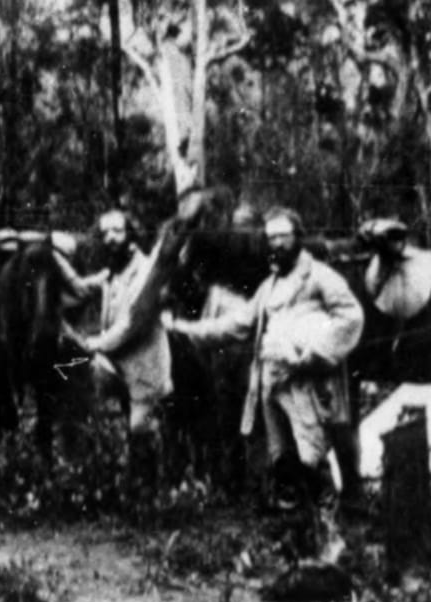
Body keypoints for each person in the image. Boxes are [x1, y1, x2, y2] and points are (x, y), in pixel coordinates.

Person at [165, 206, 364, 512]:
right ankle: (296, 527)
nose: (276, 244)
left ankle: (327, 527)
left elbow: (351, 317)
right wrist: (185, 329)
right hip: (271, 382)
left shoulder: (321, 277)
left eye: (283, 236)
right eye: (270, 238)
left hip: (305, 379)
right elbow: (237, 324)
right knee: (282, 455)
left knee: (311, 452)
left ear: (298, 238)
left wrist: (313, 353)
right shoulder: (268, 287)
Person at [71, 210, 175, 497]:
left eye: (117, 231)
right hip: (117, 364)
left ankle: (154, 495)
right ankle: (128, 486)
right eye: (104, 233)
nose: (110, 239)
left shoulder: (145, 273)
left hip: (145, 364)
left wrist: (97, 342)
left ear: (131, 234)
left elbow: (131, 324)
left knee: (142, 426)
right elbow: (81, 291)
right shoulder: (112, 273)